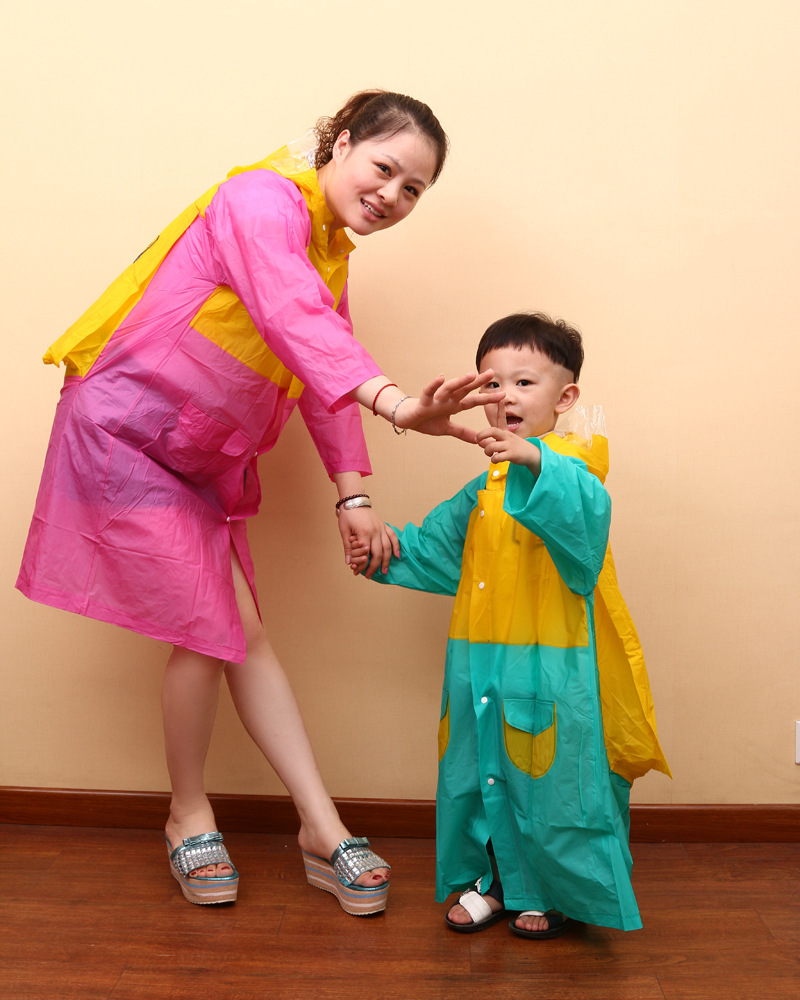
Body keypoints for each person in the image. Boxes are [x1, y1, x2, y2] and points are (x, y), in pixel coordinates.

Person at [15, 90, 503, 917]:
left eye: (413, 190)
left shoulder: (332, 256)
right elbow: (289, 313)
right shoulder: (258, 200)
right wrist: (398, 406)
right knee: (210, 631)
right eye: (385, 168)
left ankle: (314, 827)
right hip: (127, 436)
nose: (391, 196)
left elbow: (320, 377)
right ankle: (196, 815)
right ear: (341, 144)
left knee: (241, 633)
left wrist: (356, 494)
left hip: (202, 460)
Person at [365, 313, 671, 935]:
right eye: (493, 384)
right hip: (483, 661)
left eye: (524, 383)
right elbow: (434, 548)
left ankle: (548, 893)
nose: (506, 397)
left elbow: (585, 530)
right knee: (484, 777)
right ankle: (496, 884)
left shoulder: (576, 471)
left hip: (553, 664)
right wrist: (380, 548)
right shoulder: (484, 489)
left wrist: (536, 459)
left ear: (565, 398)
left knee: (554, 783)